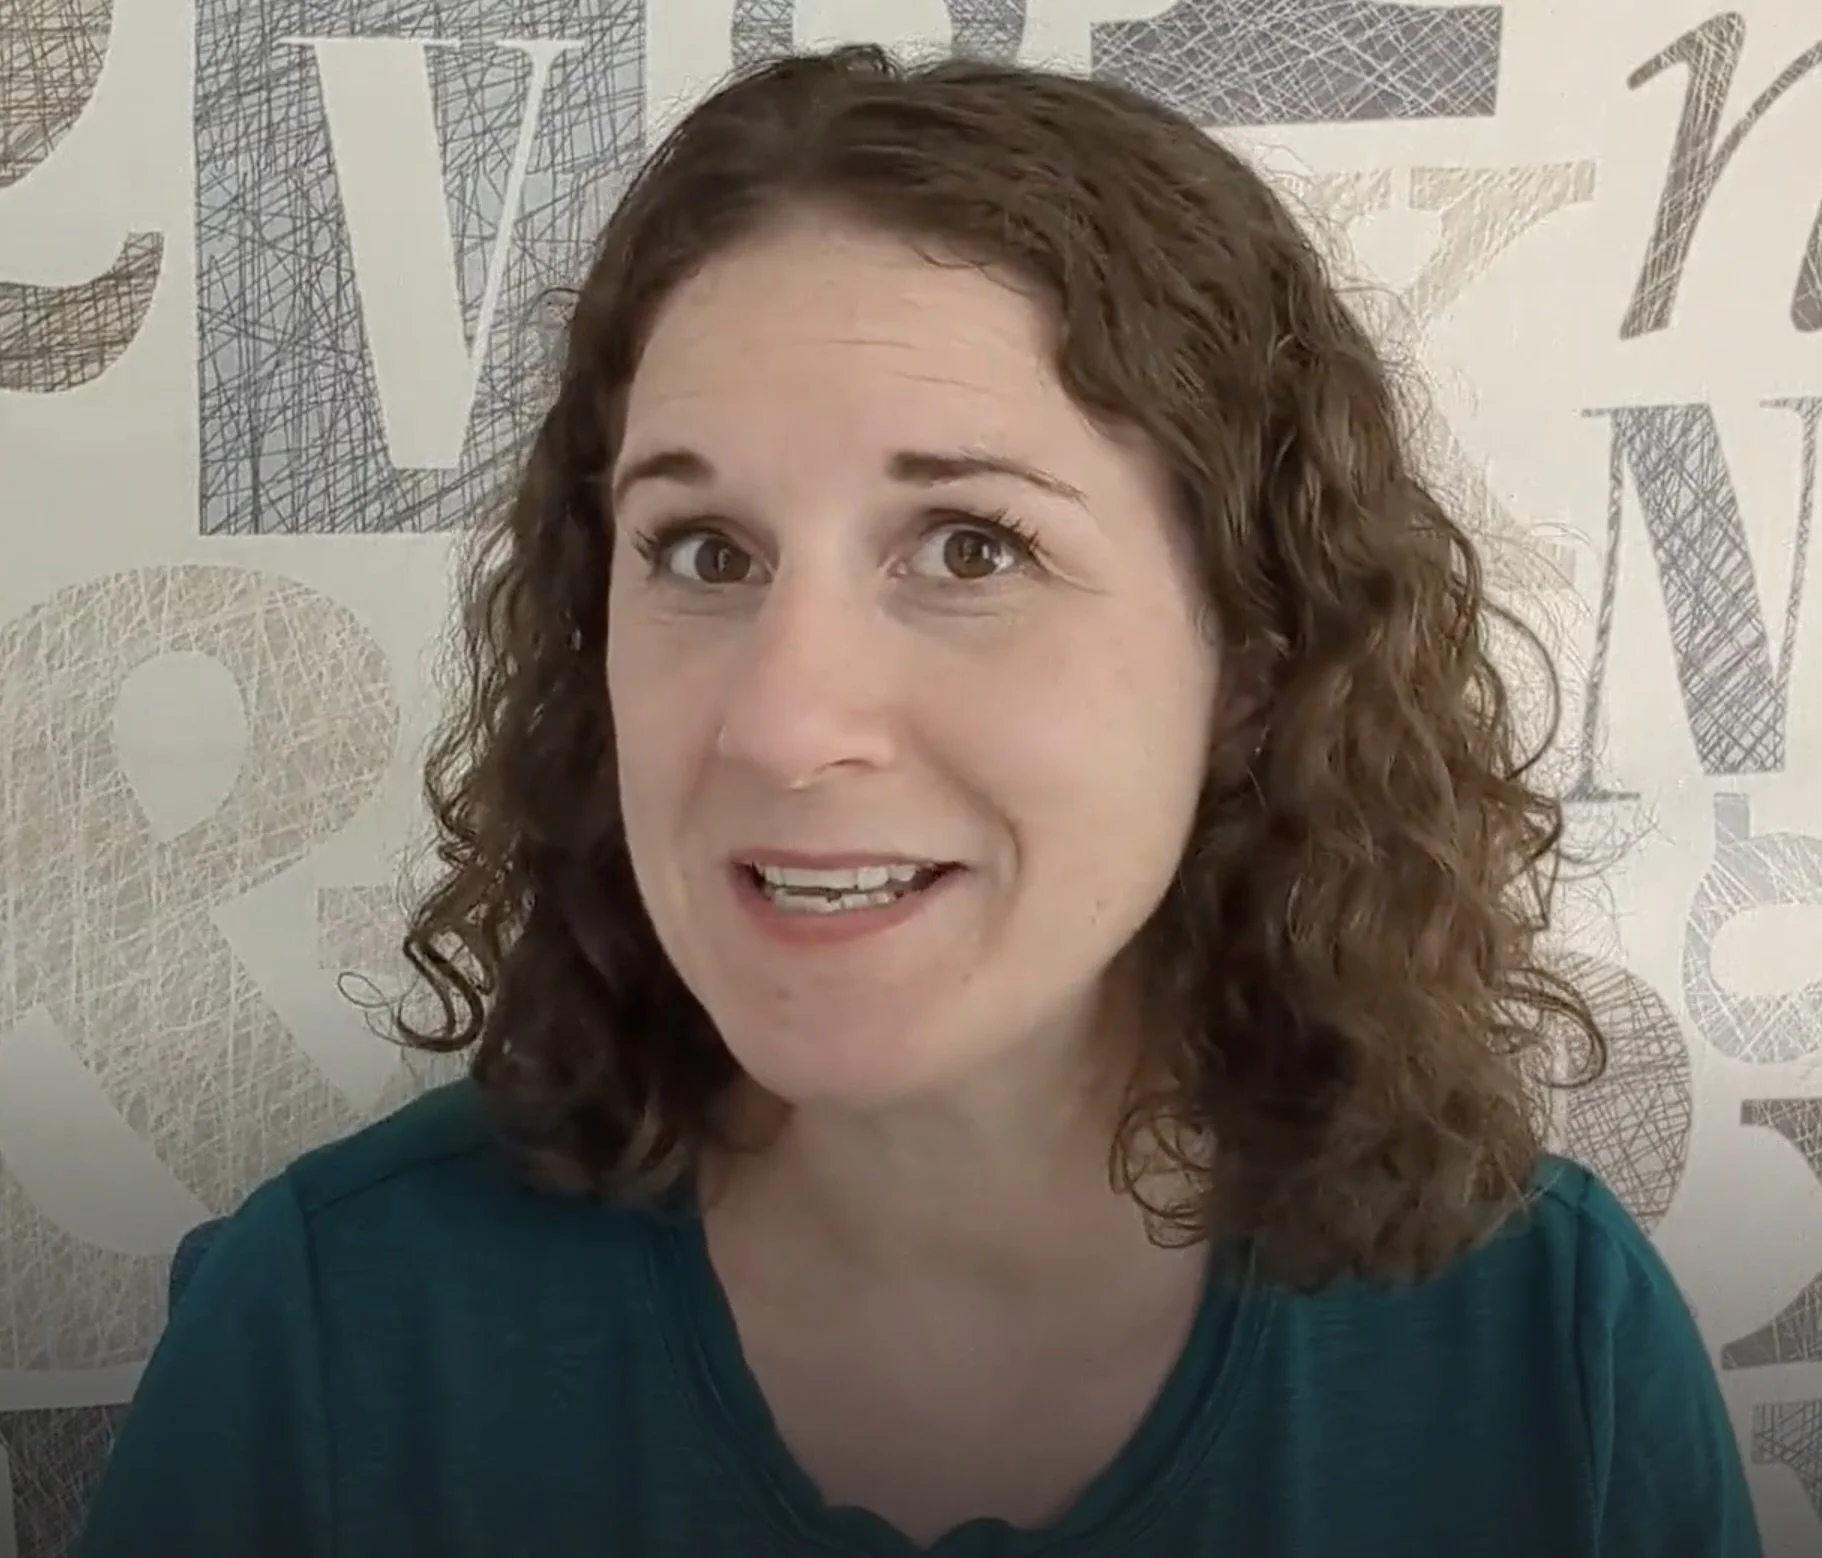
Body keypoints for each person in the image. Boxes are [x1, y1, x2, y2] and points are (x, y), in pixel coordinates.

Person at [75, 44, 1762, 1558]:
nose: (783, 725)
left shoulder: (1546, 1344)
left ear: (1250, 668)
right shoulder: (333, 1333)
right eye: (703, 552)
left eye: (970, 546)